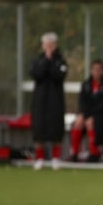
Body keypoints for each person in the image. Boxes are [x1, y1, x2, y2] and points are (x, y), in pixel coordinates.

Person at [31, 32, 68, 170]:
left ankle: (55, 158)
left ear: (55, 45)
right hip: (40, 100)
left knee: (55, 129)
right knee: (39, 129)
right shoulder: (38, 60)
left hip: (55, 100)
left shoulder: (60, 61)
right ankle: (39, 158)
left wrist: (51, 61)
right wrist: (46, 60)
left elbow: (59, 75)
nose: (48, 48)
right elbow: (36, 74)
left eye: (51, 45)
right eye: (46, 45)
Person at [68, 59, 103, 162]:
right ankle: (74, 153)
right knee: (78, 121)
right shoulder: (86, 84)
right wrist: (85, 114)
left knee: (90, 122)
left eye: (99, 69)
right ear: (91, 71)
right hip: (89, 114)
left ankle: (94, 153)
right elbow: (82, 102)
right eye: (94, 69)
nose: (97, 72)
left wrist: (90, 115)